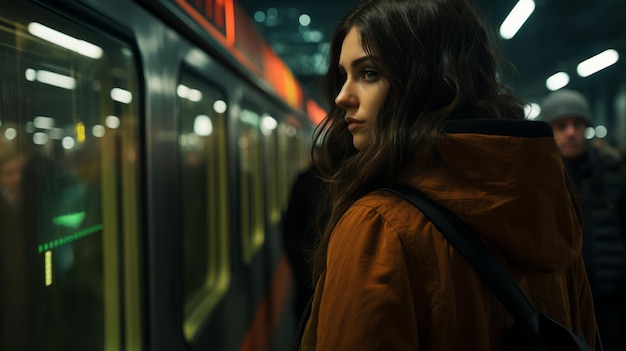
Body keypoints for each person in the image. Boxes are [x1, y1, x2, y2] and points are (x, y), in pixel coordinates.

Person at [299, 0, 600, 350]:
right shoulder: (548, 203)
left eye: (369, 73)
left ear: (430, 81)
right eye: (343, 75)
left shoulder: (380, 225)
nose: (341, 97)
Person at [540, 88, 626, 351]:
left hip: (616, 302)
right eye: (561, 125)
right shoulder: (540, 182)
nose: (570, 132)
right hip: (564, 306)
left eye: (577, 124)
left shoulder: (614, 172)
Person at [282, 151, 324, 324]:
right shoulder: (306, 182)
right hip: (309, 283)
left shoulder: (304, 180)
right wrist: (305, 274)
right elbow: (291, 231)